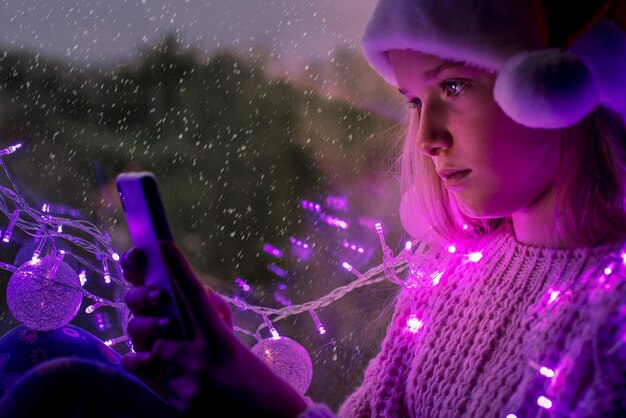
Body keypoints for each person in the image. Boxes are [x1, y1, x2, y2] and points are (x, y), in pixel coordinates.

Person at [1, 0, 626, 417]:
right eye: (413, 101)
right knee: (49, 367)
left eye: (454, 86)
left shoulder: (611, 322)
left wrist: (242, 392)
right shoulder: (449, 276)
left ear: (557, 87)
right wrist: (228, 369)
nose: (429, 134)